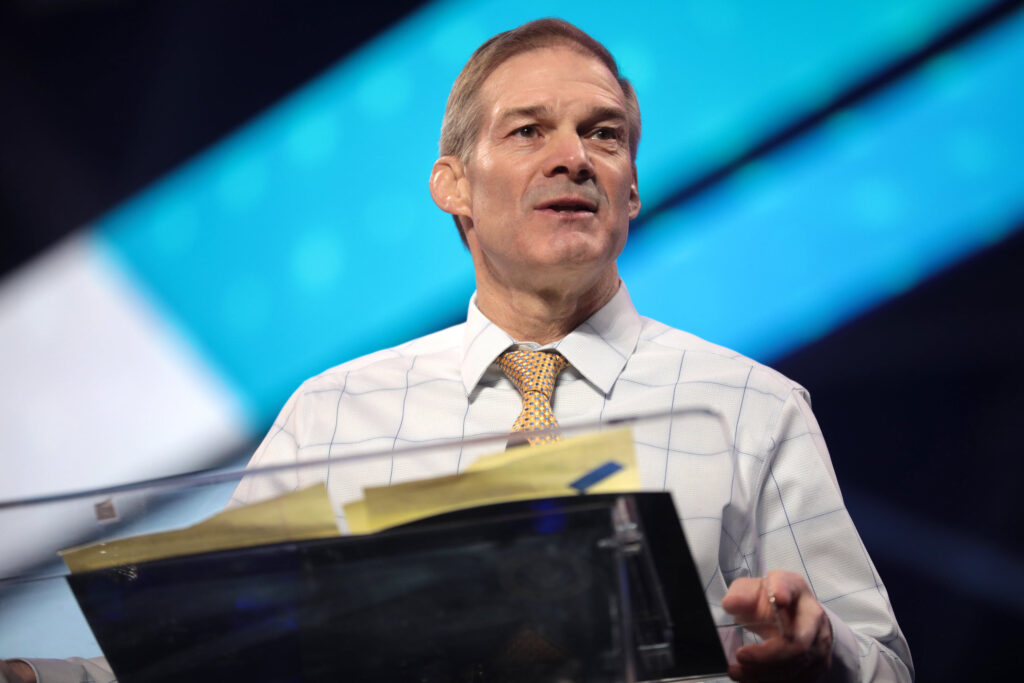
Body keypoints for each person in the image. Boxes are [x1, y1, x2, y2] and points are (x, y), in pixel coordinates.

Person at [5, 18, 912, 683]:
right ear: (453, 186)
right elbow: (219, 659)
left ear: (632, 190)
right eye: (529, 130)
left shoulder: (750, 405)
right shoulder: (335, 412)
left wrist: (819, 654)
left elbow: (887, 666)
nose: (575, 157)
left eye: (604, 134)